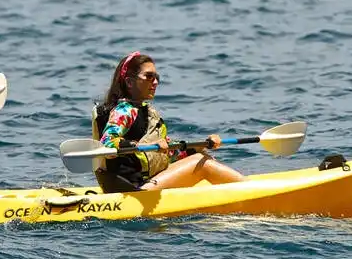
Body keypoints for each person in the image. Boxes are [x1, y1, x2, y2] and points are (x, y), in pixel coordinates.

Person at [90, 51, 245, 193]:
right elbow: (107, 144)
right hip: (133, 190)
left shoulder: (143, 111)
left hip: (141, 184)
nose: (155, 82)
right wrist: (142, 147)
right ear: (130, 82)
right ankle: (250, 191)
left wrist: (199, 146)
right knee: (201, 164)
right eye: (149, 76)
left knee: (201, 156)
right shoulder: (124, 111)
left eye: (157, 77)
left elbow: (165, 153)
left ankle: (243, 190)